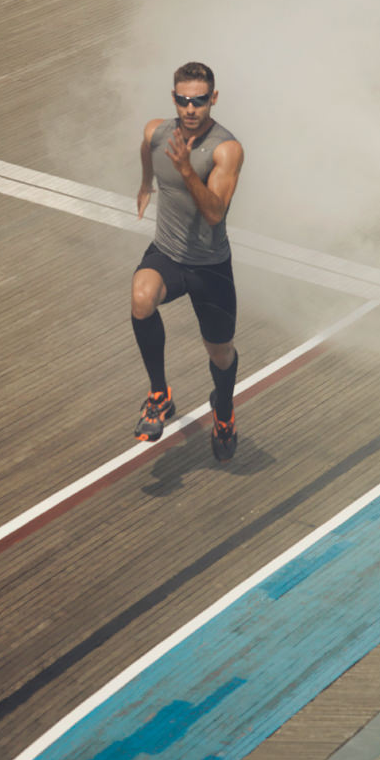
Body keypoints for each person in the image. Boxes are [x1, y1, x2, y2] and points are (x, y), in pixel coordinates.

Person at [131, 61, 244, 461]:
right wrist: (146, 182)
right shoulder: (157, 131)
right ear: (174, 99)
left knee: (221, 354)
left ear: (212, 99)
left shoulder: (226, 149)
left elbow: (215, 213)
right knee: (142, 299)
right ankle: (159, 396)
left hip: (210, 267)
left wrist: (185, 170)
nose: (190, 109)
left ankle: (225, 411)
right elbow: (147, 147)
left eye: (199, 101)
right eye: (183, 100)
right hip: (168, 252)